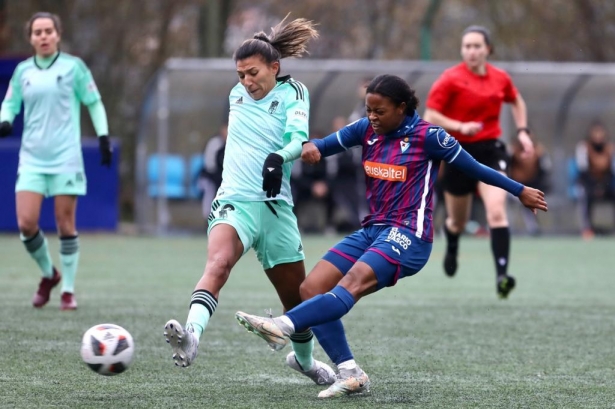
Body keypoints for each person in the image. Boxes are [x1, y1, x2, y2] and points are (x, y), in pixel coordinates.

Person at [234, 74, 547, 398]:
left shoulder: (431, 137)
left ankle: (282, 326)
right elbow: (323, 145)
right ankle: (349, 372)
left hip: (410, 235)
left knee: (350, 284)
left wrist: (519, 190)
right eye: (369, 110)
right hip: (373, 228)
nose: (372, 117)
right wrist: (305, 149)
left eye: (379, 111)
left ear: (402, 108)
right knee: (311, 288)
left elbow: (477, 168)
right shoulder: (365, 130)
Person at [162, 16, 337, 386]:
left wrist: (279, 159)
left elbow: (296, 139)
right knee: (219, 263)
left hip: (275, 208)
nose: (246, 81)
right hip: (235, 201)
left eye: (253, 72)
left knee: (296, 298)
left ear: (275, 67)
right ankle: (191, 337)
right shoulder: (236, 94)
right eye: (240, 74)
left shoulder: (295, 93)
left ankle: (305, 362)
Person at [0, 12, 111, 310]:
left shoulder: (74, 68)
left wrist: (103, 137)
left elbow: (93, 102)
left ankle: (68, 291)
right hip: (32, 159)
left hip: (66, 159)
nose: (44, 36)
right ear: (31, 38)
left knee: (65, 222)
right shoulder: (23, 71)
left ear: (58, 34)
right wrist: (5, 120)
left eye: (49, 30)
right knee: (26, 223)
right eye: (38, 32)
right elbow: (10, 102)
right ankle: (49, 274)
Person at [423, 25, 534, 297]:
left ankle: (502, 276)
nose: (471, 51)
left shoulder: (500, 78)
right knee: (457, 222)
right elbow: (430, 115)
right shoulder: (450, 79)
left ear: (488, 49)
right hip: (457, 152)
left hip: (491, 151)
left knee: (496, 211)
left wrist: (522, 132)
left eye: (477, 46)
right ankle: (452, 244)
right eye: (467, 46)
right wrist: (460, 125)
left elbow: (517, 101)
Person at [575, 121, 615, 238]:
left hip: (606, 184)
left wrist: (603, 187)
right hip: (588, 184)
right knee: (583, 194)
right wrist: (594, 187)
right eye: (595, 132)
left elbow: (612, 172)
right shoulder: (583, 148)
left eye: (600, 132)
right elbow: (583, 171)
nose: (598, 136)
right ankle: (587, 228)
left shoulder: (610, 149)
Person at [509, 135, 551, 235]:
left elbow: (546, 170)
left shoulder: (539, 152)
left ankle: (533, 227)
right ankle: (504, 226)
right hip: (511, 188)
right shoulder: (512, 152)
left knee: (528, 198)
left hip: (532, 186)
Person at [198, 123, 227, 226]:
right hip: (208, 177)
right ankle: (208, 218)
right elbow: (211, 166)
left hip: (219, 178)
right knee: (209, 190)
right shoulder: (216, 143)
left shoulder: (229, 143)